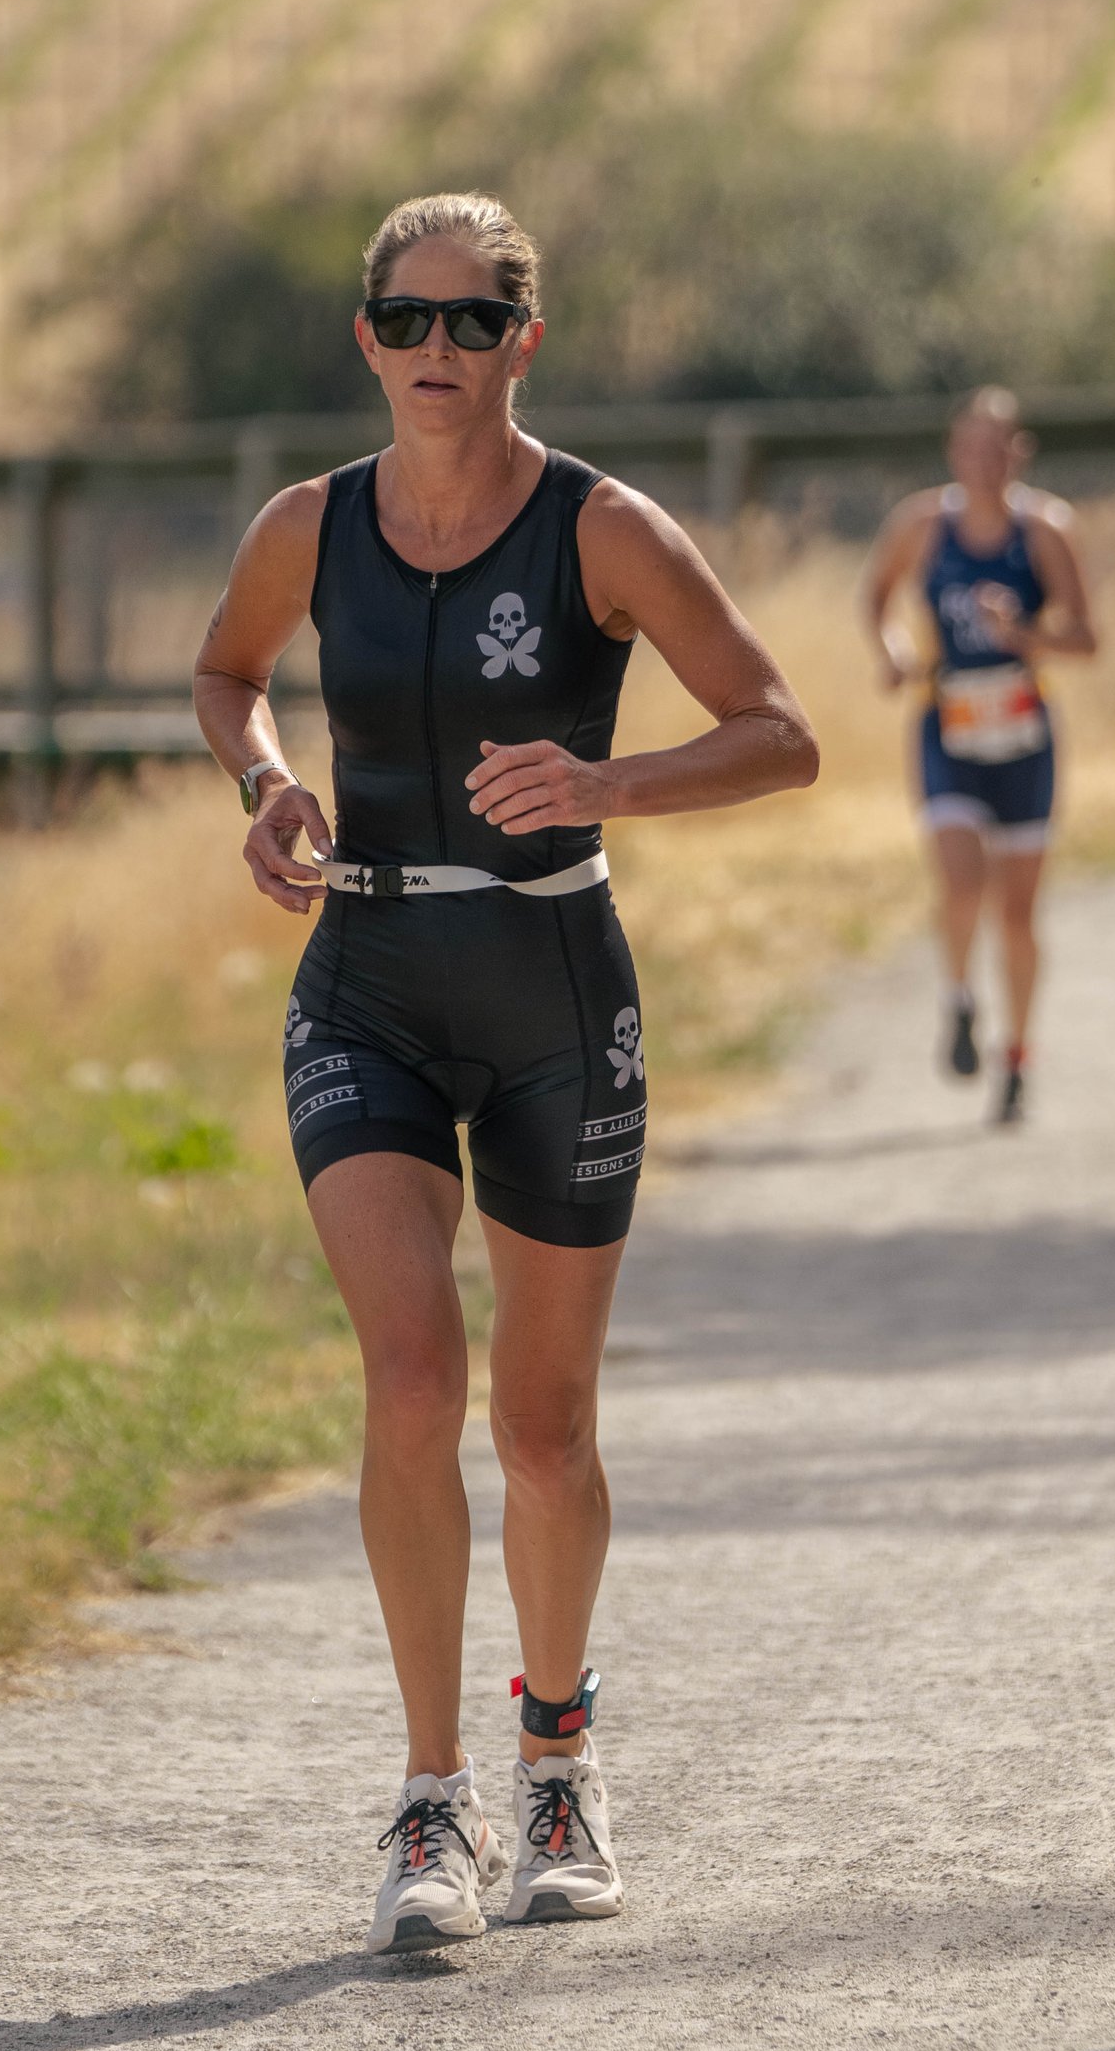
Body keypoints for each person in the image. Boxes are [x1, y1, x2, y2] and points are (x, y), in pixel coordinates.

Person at [194, 191, 817, 1953]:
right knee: (409, 1377)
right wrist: (266, 787)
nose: (439, 353)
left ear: (525, 340)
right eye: (409, 321)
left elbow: (785, 735)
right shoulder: (308, 529)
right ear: (367, 337)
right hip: (368, 975)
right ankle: (424, 1801)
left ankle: (559, 1758)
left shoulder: (602, 529)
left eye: (476, 323)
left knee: (539, 1430)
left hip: (554, 984)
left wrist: (614, 785)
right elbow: (226, 675)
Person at [860, 387, 1097, 1127]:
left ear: (1018, 453)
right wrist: (897, 652)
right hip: (949, 728)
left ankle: (1018, 1056)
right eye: (970, 447)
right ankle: (959, 999)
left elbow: (1087, 638)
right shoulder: (924, 524)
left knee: (1019, 915)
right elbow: (876, 599)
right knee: (962, 885)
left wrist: (1026, 634)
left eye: (998, 448)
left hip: (1024, 738)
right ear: (954, 453)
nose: (984, 462)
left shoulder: (1047, 529)